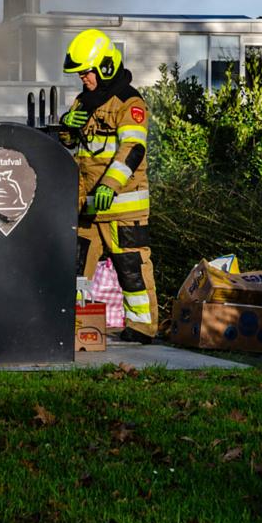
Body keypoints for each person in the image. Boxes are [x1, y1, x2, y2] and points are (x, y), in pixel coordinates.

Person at [59, 29, 158, 343]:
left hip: (121, 208)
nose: (83, 78)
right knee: (74, 271)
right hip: (87, 207)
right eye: (80, 74)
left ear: (104, 67)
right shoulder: (83, 100)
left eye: (86, 72)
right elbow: (75, 144)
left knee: (132, 269)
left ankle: (142, 328)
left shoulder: (130, 103)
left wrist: (109, 186)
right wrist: (66, 127)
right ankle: (71, 328)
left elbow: (133, 148)